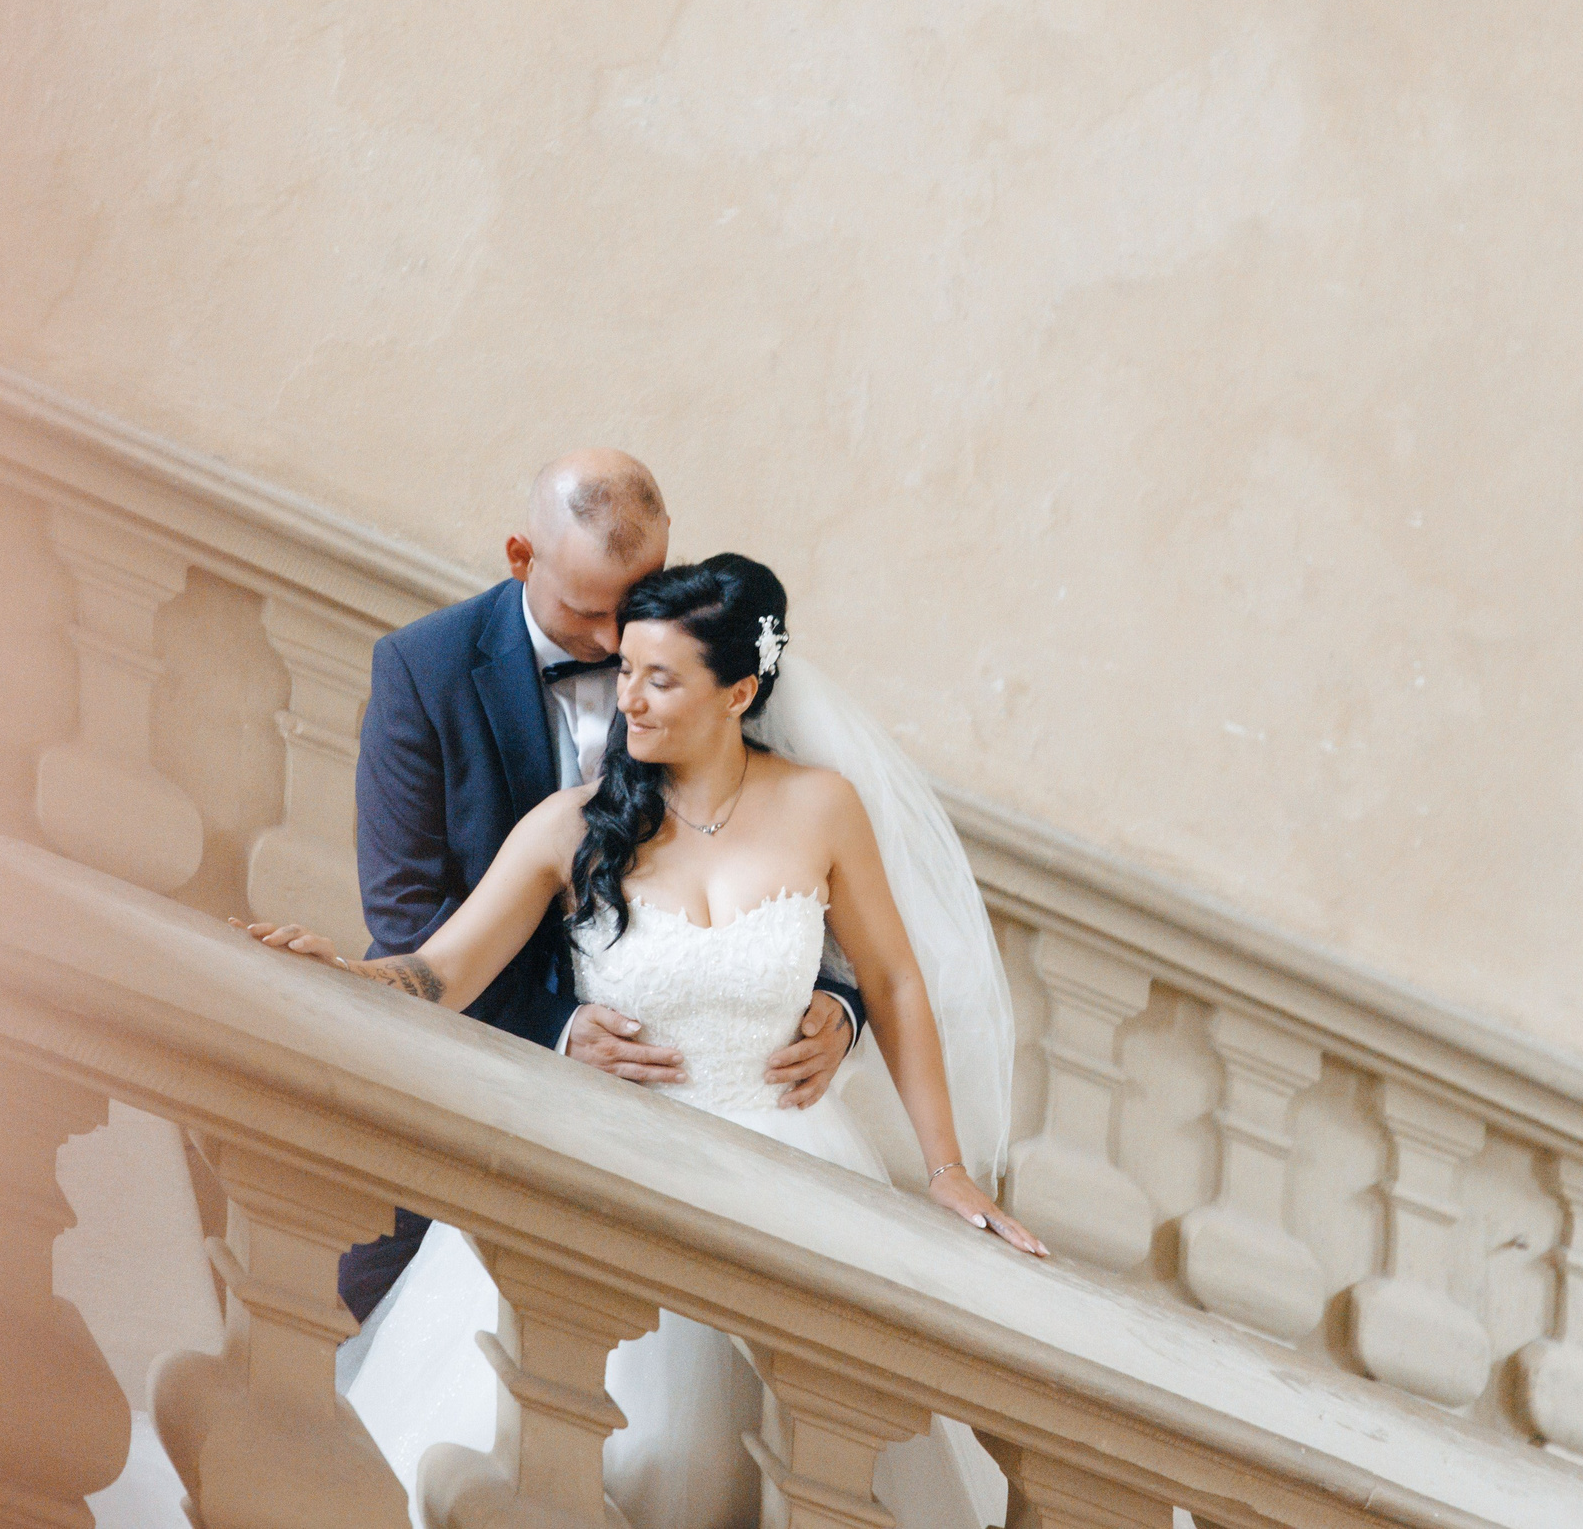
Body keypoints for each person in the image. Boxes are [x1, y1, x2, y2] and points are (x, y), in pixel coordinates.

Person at [248, 553, 1034, 1529]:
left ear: (738, 692)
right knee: (614, 1453)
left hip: (789, 1179)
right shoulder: (573, 825)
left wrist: (947, 1170)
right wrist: (339, 970)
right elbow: (438, 973)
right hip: (614, 1172)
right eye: (625, 670)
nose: (628, 699)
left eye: (659, 679)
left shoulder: (821, 807)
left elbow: (894, 979)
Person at [339, 452, 864, 1322]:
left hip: (707, 1125)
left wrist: (839, 1004)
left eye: (635, 601)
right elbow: (407, 919)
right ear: (521, 558)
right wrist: (557, 1030)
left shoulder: (703, 655)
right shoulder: (422, 671)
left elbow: (786, 862)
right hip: (479, 1065)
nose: (621, 642)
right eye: (590, 612)